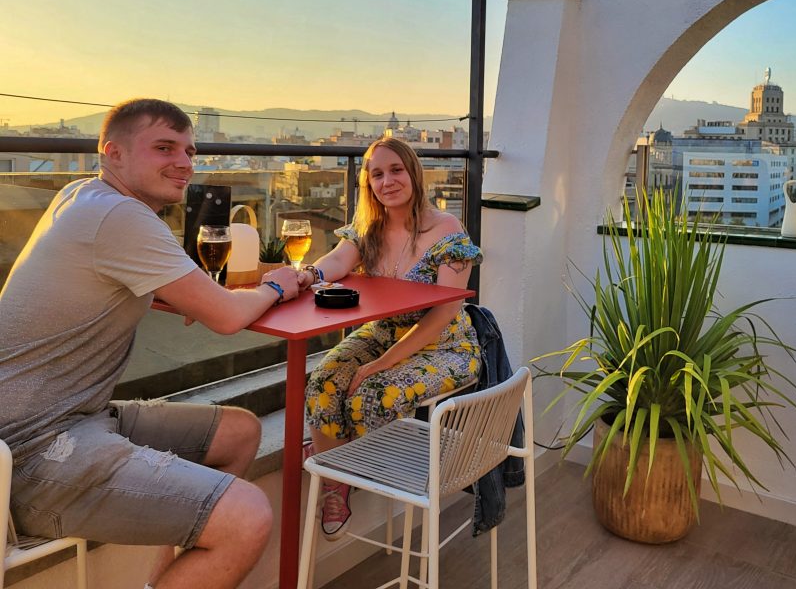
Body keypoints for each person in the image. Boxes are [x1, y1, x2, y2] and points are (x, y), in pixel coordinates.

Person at [0, 98, 303, 589]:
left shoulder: (82, 195)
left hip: (78, 417)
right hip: (30, 452)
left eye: (190, 150)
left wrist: (190, 295)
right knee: (247, 517)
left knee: (241, 433)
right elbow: (227, 317)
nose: (184, 163)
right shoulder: (122, 217)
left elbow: (105, 284)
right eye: (164, 147)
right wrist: (277, 286)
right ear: (112, 152)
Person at [299, 136, 481, 538]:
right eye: (376, 174)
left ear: (413, 172)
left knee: (372, 393)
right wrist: (307, 275)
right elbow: (337, 261)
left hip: (445, 344)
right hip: (381, 333)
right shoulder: (369, 228)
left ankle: (339, 459)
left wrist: (380, 364)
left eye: (396, 170)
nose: (387, 181)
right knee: (322, 382)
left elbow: (445, 312)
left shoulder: (446, 230)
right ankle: (337, 483)